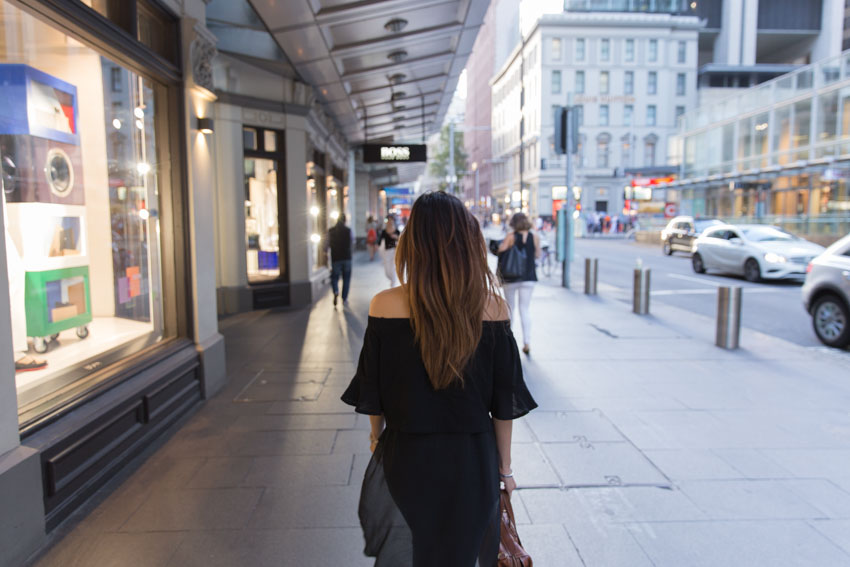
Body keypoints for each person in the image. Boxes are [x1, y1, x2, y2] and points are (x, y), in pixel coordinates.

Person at [342, 191, 536, 566]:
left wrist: (374, 436)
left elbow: (373, 390)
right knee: (462, 554)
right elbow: (504, 403)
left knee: (422, 549)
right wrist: (505, 469)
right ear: (468, 243)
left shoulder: (384, 305)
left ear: (412, 244)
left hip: (408, 454)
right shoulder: (493, 307)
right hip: (472, 459)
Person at [497, 212, 540, 355]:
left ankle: (509, 341)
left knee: (510, 309)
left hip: (511, 277)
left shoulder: (510, 236)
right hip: (528, 277)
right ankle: (527, 342)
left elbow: (500, 251)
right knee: (525, 309)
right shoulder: (535, 237)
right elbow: (538, 255)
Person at [326, 214, 353, 307]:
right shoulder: (348, 230)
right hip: (347, 258)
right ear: (345, 221)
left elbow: (327, 244)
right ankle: (344, 298)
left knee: (334, 277)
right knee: (346, 278)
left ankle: (336, 291)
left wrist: (325, 252)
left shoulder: (331, 231)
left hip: (336, 258)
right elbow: (352, 242)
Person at [377, 215, 400, 287]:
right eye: (389, 220)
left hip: (395, 251)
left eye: (391, 220)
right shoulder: (384, 231)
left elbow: (402, 240)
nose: (390, 221)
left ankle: (393, 283)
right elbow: (379, 241)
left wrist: (396, 237)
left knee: (393, 267)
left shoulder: (397, 231)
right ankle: (392, 279)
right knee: (387, 271)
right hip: (387, 252)